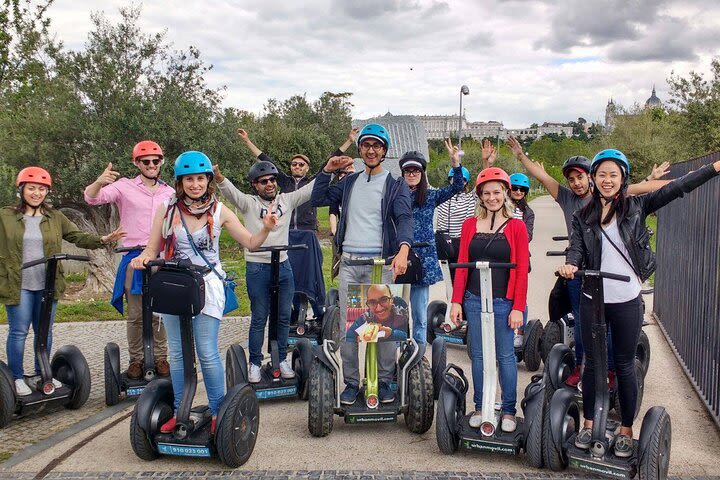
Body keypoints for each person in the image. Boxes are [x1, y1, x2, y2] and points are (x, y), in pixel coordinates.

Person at [558, 150, 720, 457]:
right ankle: (589, 424)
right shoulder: (582, 215)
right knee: (591, 364)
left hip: (627, 299)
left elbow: (677, 187)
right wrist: (570, 264)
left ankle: (626, 428)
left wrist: (713, 168)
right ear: (594, 178)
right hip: (593, 298)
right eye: (602, 174)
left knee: (624, 365)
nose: (607, 180)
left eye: (613, 175)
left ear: (622, 179)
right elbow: (576, 249)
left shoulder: (636, 205)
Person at [506, 136, 671, 386]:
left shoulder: (608, 194)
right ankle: (582, 366)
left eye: (580, 177)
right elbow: (543, 178)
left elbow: (639, 189)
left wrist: (662, 178)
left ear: (590, 177)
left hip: (607, 271)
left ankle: (613, 370)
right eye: (571, 179)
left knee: (610, 326)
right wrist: (520, 157)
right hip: (578, 271)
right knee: (582, 324)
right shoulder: (566, 198)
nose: (576, 183)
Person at [130, 151, 275, 434]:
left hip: (207, 285)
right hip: (174, 286)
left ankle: (220, 411)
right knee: (177, 353)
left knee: (207, 351)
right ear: (180, 182)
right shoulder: (167, 208)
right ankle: (178, 410)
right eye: (189, 179)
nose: (195, 184)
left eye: (200, 178)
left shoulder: (220, 211)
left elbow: (251, 242)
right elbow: (152, 248)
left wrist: (266, 229)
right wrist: (143, 259)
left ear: (208, 180)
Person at [311, 123, 413, 405]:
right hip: (352, 262)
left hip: (380, 263)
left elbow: (405, 219)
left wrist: (403, 250)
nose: (371, 150)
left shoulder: (395, 185)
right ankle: (353, 382)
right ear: (360, 149)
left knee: (383, 326)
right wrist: (327, 170)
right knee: (353, 328)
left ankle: (383, 381)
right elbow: (317, 198)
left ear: (384, 151)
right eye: (366, 145)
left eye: (376, 146)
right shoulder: (350, 182)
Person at [1, 167, 125, 396]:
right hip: (18, 284)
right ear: (22, 190)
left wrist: (102, 239)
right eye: (31, 188)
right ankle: (16, 378)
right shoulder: (5, 216)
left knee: (44, 331)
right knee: (19, 332)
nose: (36, 193)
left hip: (47, 285)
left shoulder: (55, 217)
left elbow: (76, 236)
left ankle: (42, 373)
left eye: (41, 189)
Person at [211, 159, 320, 383]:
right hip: (258, 266)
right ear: (255, 184)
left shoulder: (287, 200)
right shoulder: (248, 203)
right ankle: (254, 362)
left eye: (272, 180)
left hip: (283, 265)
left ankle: (279, 360)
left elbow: (311, 188)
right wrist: (219, 176)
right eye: (263, 181)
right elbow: (230, 192)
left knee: (282, 317)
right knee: (259, 317)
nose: (269, 184)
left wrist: (330, 169)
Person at [84, 140, 175, 379]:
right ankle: (136, 359)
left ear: (161, 162)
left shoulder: (170, 192)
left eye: (156, 161)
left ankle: (161, 357)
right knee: (135, 314)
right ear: (137, 163)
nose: (152, 165)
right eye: (146, 161)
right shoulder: (124, 187)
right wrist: (98, 183)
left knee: (159, 311)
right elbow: (92, 199)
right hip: (133, 256)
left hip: (160, 258)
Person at [449, 167, 529, 433]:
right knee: (480, 357)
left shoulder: (516, 226)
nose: (492, 197)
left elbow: (521, 270)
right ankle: (481, 405)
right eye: (487, 193)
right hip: (473, 298)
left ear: (505, 193)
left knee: (506, 356)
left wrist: (518, 307)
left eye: (497, 192)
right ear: (480, 196)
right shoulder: (470, 225)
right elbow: (462, 266)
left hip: (503, 301)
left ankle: (508, 410)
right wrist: (456, 301)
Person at [398, 141, 463, 344]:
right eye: (407, 170)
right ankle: (395, 352)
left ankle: (418, 353)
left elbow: (457, 187)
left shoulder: (430, 196)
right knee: (395, 311)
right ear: (402, 173)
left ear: (422, 173)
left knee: (419, 312)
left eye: (415, 170)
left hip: (422, 257)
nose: (411, 174)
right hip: (399, 255)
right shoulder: (394, 195)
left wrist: (455, 164)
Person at [329, 163, 356, 279]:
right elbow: (332, 213)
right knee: (341, 264)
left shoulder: (358, 191)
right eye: (341, 174)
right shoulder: (337, 193)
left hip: (356, 232)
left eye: (347, 174)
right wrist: (335, 230)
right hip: (342, 231)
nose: (344, 177)